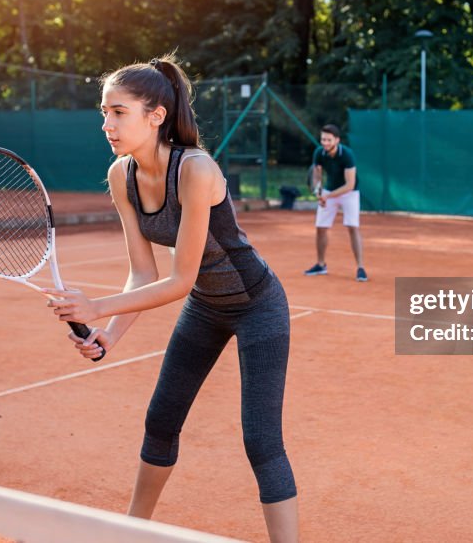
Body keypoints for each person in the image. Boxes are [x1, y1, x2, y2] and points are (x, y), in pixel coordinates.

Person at [41, 53, 299, 542]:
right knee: (161, 420)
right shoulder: (122, 177)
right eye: (104, 112)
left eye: (118, 112)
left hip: (258, 305)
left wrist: (95, 307)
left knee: (261, 441)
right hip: (206, 306)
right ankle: (131, 531)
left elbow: (179, 279)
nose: (107, 124)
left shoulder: (196, 169)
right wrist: (108, 337)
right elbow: (143, 273)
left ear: (155, 116)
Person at [304, 125, 366, 282]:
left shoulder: (347, 155)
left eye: (328, 140)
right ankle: (321, 265)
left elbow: (349, 184)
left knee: (352, 227)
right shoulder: (319, 152)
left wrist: (328, 196)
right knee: (320, 228)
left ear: (337, 140)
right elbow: (317, 175)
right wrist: (318, 191)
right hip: (329, 191)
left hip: (349, 193)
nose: (325, 142)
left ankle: (360, 268)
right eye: (323, 139)